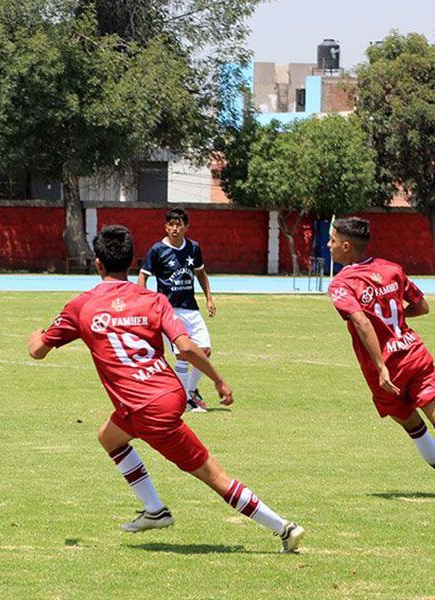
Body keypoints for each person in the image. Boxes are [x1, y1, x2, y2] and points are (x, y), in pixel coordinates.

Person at [27, 225, 304, 552]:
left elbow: (38, 350)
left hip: (145, 407)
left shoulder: (81, 306)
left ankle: (284, 527)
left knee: (213, 475)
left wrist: (36, 334)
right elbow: (185, 348)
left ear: (97, 264)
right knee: (109, 437)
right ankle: (155, 510)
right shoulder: (153, 299)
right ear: (132, 262)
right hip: (165, 393)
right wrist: (217, 378)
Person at [327, 216, 435, 471]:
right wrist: (394, 316)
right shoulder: (391, 269)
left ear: (346, 246)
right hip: (414, 353)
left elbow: (362, 322)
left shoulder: (341, 284)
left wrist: (381, 367)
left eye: (332, 240)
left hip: (387, 366)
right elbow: (422, 307)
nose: (327, 245)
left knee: (411, 423)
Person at [137, 208, 216, 413]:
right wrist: (141, 301)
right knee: (183, 354)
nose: (174, 228)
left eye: (179, 224)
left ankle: (189, 391)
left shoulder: (193, 248)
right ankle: (183, 400)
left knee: (205, 350)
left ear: (185, 227)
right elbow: (143, 276)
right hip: (169, 311)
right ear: (165, 227)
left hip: (191, 308)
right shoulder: (157, 250)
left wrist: (208, 298)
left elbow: (201, 273)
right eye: (171, 225)